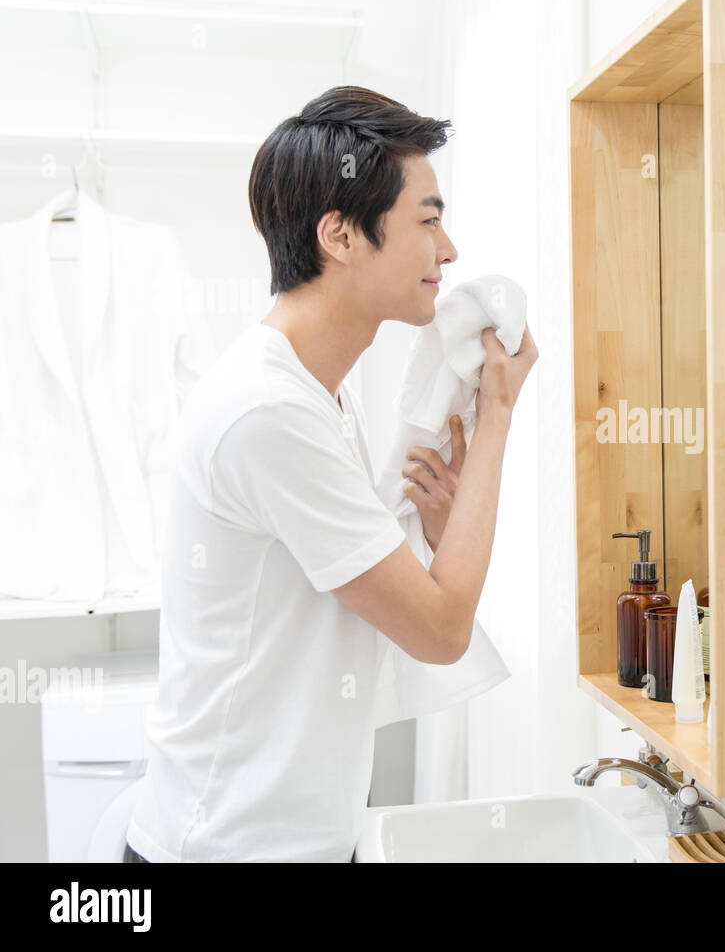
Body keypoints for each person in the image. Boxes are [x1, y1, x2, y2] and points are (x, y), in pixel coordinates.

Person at [123, 85, 537, 862]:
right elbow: (440, 631)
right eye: (428, 220)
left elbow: (362, 599)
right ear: (341, 236)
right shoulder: (269, 413)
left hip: (292, 837)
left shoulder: (314, 396)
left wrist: (437, 535)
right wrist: (498, 416)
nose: (448, 251)